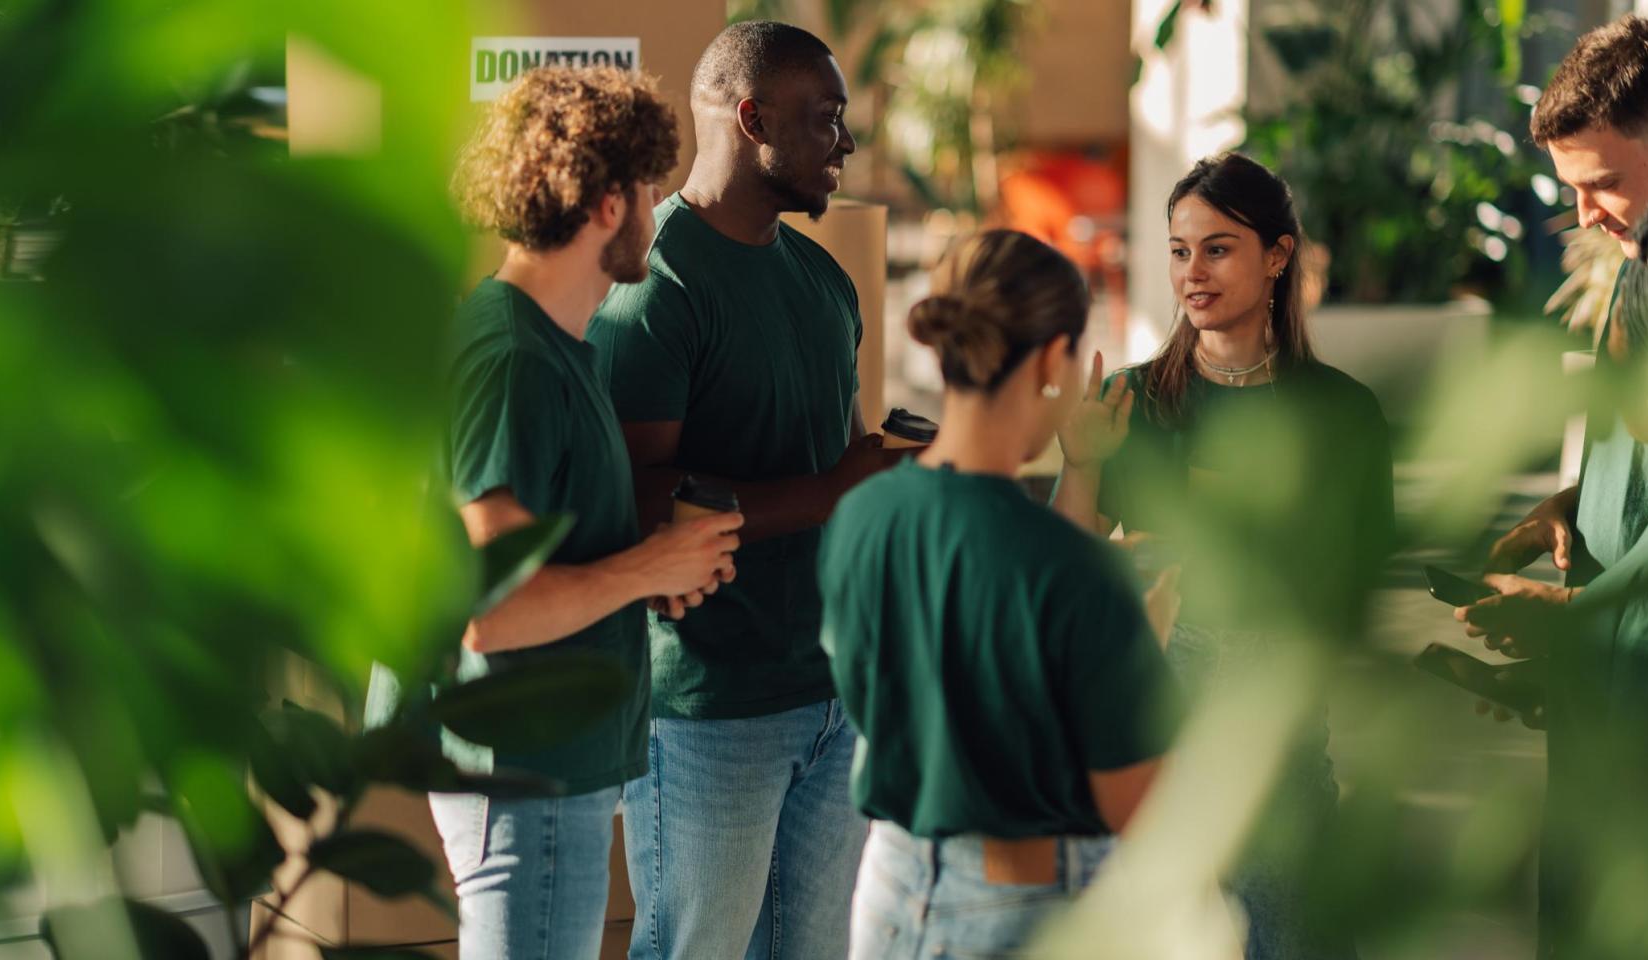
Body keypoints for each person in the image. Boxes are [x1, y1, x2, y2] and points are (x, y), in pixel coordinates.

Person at [587, 22, 902, 960]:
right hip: (707, 709)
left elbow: (841, 470)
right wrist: (825, 492)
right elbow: (636, 497)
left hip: (834, 695)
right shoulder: (656, 283)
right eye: (827, 119)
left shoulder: (824, 280)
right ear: (752, 117)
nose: (845, 144)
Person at [434, 66, 742, 960]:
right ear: (610, 203)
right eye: (651, 190)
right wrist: (647, 569)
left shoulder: (547, 345)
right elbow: (492, 612)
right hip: (525, 774)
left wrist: (653, 566)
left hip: (549, 771)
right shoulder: (513, 357)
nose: (658, 210)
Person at [1052, 152, 1393, 960]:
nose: (1191, 272)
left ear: (1278, 256)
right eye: (1178, 249)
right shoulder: (1131, 402)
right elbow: (1060, 576)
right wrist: (1082, 461)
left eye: (1217, 248)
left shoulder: (1343, 414)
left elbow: (1358, 598)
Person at [818, 229, 1177, 959]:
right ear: (1052, 359)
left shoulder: (862, 515)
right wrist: (1148, 643)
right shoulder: (1078, 576)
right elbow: (1134, 804)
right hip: (1022, 908)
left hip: (890, 886)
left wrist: (1081, 471)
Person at [1461, 21, 1648, 952]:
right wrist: (1570, 505)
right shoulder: (1635, 267)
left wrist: (1571, 614)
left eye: (1604, 184)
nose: (1585, 216)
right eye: (1571, 190)